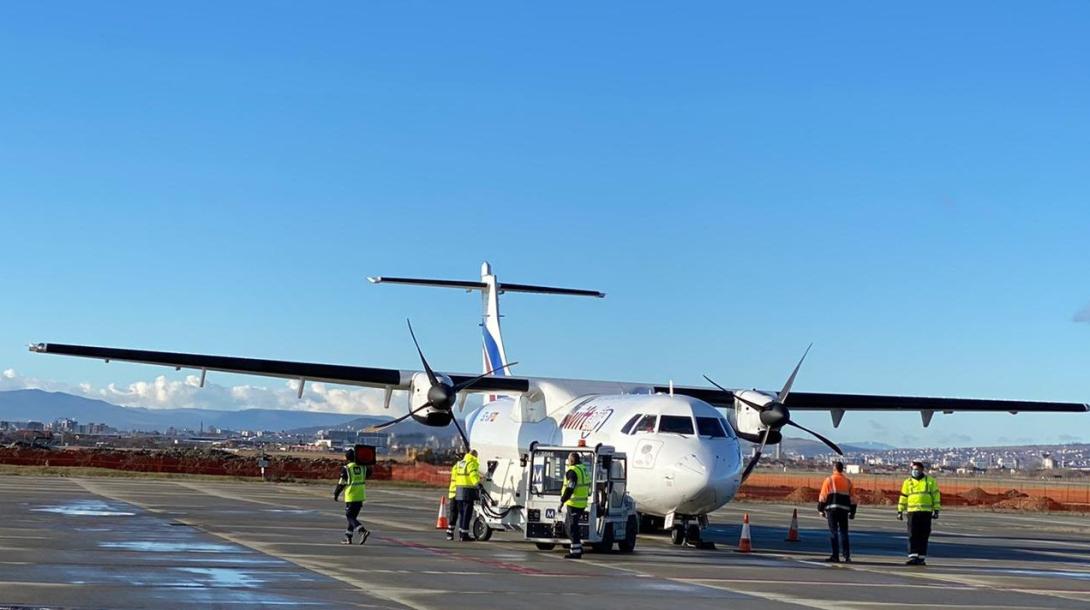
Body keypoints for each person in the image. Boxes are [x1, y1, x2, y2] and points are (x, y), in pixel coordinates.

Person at [897, 461, 941, 565]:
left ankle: (921, 557)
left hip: (926, 512)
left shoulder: (930, 481)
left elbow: (936, 496)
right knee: (912, 534)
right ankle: (913, 556)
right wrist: (900, 510)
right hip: (913, 512)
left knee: (924, 535)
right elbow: (903, 497)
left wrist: (936, 510)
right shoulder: (907, 482)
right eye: (913, 469)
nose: (915, 471)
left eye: (917, 469)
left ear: (922, 470)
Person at [818, 461, 857, 563]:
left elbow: (823, 497)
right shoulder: (848, 481)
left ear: (834, 469)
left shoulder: (829, 480)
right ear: (842, 469)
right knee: (844, 532)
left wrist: (820, 509)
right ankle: (847, 556)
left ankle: (835, 556)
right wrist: (853, 512)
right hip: (844, 511)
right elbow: (853, 499)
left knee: (834, 532)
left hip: (832, 510)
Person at [333, 447, 370, 545]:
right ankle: (348, 537)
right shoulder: (363, 467)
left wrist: (336, 494)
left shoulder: (347, 468)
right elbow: (369, 473)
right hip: (360, 495)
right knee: (352, 518)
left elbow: (341, 483)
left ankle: (362, 531)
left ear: (347, 458)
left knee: (349, 516)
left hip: (351, 496)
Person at [558, 452, 590, 559]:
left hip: (574, 503)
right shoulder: (583, 469)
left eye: (568, 459)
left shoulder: (572, 471)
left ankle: (576, 552)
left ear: (571, 460)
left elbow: (570, 487)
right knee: (570, 526)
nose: (567, 462)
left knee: (571, 528)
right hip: (581, 503)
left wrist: (562, 501)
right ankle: (578, 548)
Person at [451, 449, 480, 541]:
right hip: (468, 492)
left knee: (462, 514)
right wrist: (478, 484)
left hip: (459, 491)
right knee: (467, 515)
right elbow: (473, 475)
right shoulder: (471, 463)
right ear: (474, 456)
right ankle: (464, 535)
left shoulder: (460, 463)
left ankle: (461, 533)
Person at [445, 460, 458, 541]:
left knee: (453, 514)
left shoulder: (456, 466)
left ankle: (450, 532)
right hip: (457, 493)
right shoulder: (459, 467)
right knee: (455, 514)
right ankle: (451, 531)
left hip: (453, 493)